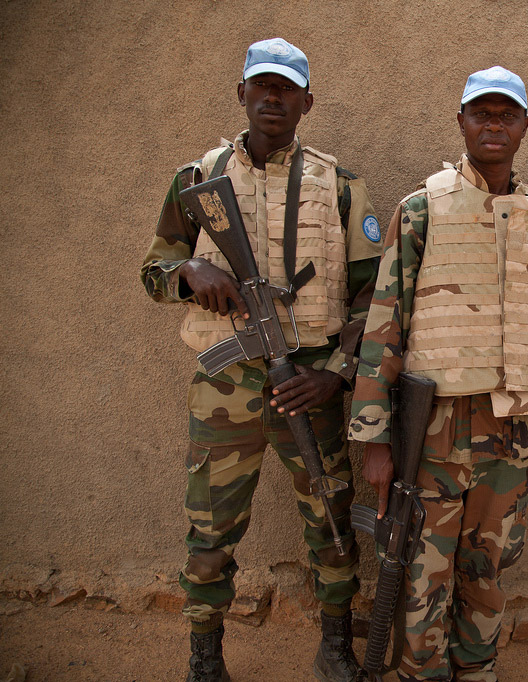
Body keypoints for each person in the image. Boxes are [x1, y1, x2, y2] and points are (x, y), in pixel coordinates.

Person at [140, 38, 381, 682]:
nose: (272, 99)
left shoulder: (342, 186)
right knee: (210, 528)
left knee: (331, 518)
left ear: (308, 101)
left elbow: (373, 297)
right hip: (226, 383)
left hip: (308, 380)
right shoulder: (198, 182)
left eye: (286, 89)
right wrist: (190, 271)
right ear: (241, 93)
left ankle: (334, 645)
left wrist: (336, 374)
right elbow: (154, 271)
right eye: (261, 86)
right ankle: (204, 655)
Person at [348, 66, 528, 682]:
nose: (494, 124)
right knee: (424, 577)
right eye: (482, 113)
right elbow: (384, 326)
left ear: (526, 126)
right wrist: (372, 438)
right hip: (436, 437)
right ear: (462, 123)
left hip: (512, 436)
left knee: (488, 574)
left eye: (507, 115)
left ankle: (477, 672)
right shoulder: (421, 209)